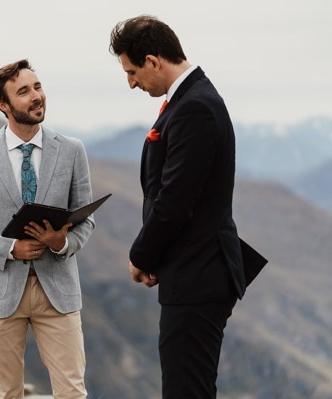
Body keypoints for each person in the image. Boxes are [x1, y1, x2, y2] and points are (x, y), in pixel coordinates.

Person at [109, 15, 267, 398]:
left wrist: (140, 255)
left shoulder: (195, 106)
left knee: (185, 391)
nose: (131, 83)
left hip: (199, 273)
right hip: (194, 270)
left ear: (152, 60)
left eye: (131, 71)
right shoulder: (189, 99)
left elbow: (176, 201)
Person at [0, 60, 95, 398]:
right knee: (6, 394)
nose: (36, 96)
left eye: (38, 87)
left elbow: (87, 220)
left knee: (72, 392)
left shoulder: (72, 150)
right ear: (3, 105)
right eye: (24, 92)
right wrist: (9, 248)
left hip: (58, 292)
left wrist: (61, 242)